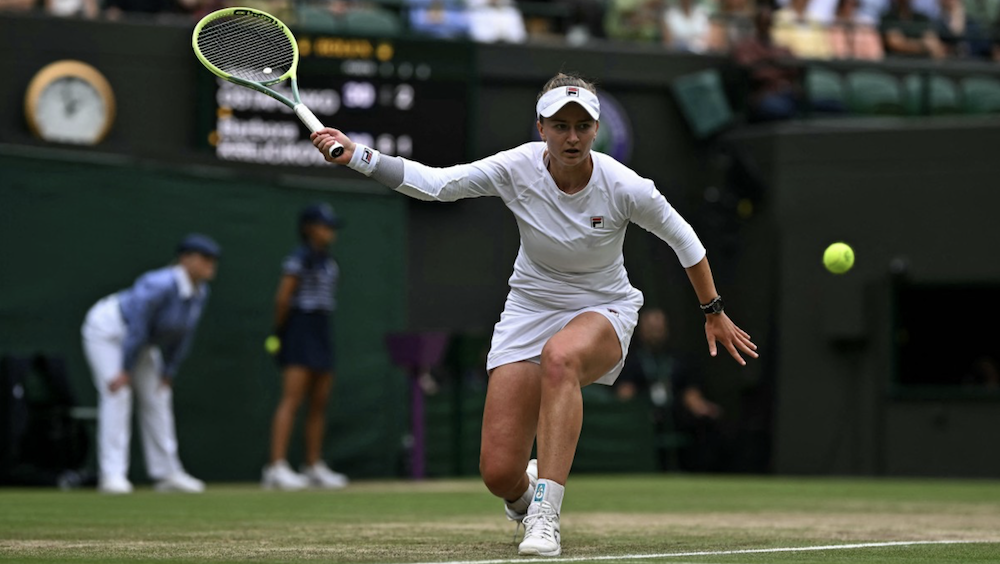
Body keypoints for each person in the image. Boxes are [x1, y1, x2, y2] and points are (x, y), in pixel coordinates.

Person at [311, 72, 757, 557]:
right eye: (559, 125)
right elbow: (436, 185)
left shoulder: (626, 186)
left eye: (581, 126)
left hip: (603, 306)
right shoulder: (515, 167)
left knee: (560, 358)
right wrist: (358, 155)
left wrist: (712, 310)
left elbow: (685, 240)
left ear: (595, 129)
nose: (571, 136)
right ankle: (524, 496)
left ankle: (545, 515)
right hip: (530, 307)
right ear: (540, 127)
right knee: (498, 472)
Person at [80, 234, 220, 494]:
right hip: (108, 332)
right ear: (186, 259)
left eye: (214, 260)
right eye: (205, 258)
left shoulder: (201, 292)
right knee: (118, 393)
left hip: (141, 343)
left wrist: (169, 371)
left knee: (159, 395)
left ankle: (166, 473)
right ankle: (112, 476)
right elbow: (138, 326)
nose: (211, 264)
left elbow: (184, 333)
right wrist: (125, 369)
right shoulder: (159, 284)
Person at [261, 203, 349, 491]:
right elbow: (282, 299)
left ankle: (312, 466)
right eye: (324, 226)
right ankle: (275, 467)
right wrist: (281, 332)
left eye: (331, 227)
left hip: (321, 328)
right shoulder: (297, 260)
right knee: (292, 398)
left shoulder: (329, 262)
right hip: (299, 328)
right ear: (309, 228)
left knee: (319, 399)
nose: (329, 233)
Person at [615, 308, 722, 471]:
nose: (655, 333)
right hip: (643, 418)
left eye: (658, 328)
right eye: (650, 328)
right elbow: (624, 394)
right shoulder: (631, 360)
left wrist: (701, 407)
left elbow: (690, 393)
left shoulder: (678, 359)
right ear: (641, 330)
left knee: (705, 425)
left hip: (676, 415)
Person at [732, 5, 804, 122]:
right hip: (761, 96)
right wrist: (776, 70)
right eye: (763, 22)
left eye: (769, 22)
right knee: (782, 109)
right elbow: (754, 72)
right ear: (757, 23)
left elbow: (794, 68)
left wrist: (772, 65)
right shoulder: (745, 47)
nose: (766, 25)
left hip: (786, 92)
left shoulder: (781, 48)